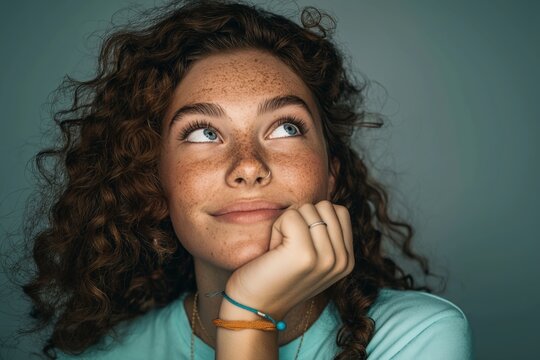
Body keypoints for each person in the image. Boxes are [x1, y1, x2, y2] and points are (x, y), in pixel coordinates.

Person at [21, 1, 473, 359]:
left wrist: (247, 313)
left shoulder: (419, 338)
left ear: (331, 173)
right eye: (203, 132)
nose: (249, 165)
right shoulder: (108, 356)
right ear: (153, 182)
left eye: (285, 128)